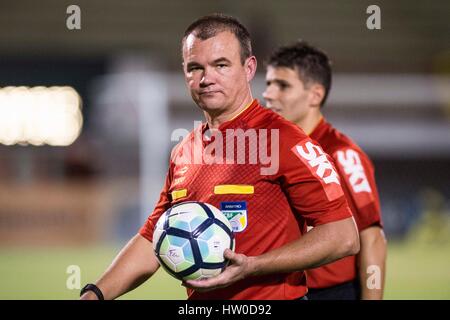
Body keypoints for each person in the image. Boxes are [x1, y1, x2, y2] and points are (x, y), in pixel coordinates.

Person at [80, 14, 359, 300]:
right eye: (195, 68)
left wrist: (254, 266)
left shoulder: (285, 140)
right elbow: (153, 237)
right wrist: (94, 295)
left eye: (221, 65)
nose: (206, 79)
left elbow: (343, 236)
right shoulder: (184, 151)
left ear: (249, 68)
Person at [263, 40, 387, 300]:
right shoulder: (270, 149)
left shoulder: (343, 154)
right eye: (269, 83)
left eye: (282, 85)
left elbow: (372, 238)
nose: (269, 94)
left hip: (331, 294)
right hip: (281, 291)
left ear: (315, 95)